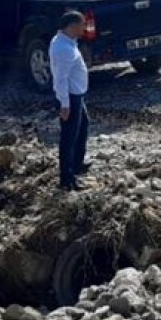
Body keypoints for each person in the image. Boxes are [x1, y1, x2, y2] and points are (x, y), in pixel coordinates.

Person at [50, 11, 90, 191]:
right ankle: (67, 179)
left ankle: (77, 164)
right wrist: (64, 105)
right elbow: (60, 79)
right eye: (82, 25)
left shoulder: (66, 43)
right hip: (70, 99)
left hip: (76, 95)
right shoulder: (63, 49)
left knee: (83, 127)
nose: (84, 28)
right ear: (72, 26)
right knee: (69, 137)